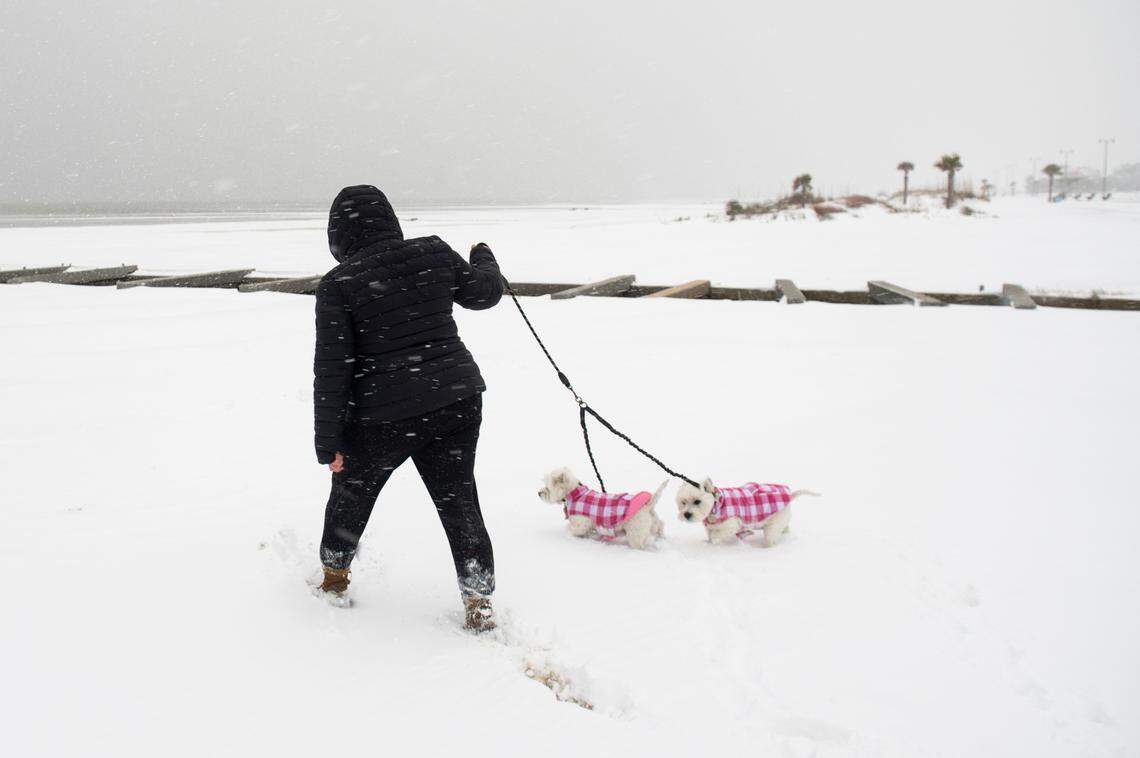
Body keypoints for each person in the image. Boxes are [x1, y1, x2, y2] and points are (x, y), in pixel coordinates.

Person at [313, 184, 503, 631]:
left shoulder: (339, 284)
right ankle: (479, 602)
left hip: (382, 418)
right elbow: (484, 293)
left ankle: (334, 579)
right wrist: (483, 255)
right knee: (459, 503)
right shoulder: (434, 252)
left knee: (352, 496)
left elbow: (333, 368)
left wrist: (329, 443)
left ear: (337, 234)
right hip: (454, 401)